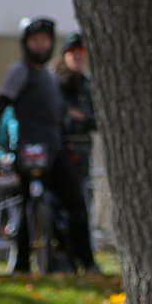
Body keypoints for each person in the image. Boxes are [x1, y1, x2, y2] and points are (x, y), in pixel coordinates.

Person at [0, 16, 96, 273]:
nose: (40, 45)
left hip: (55, 150)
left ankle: (84, 261)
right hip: (29, 150)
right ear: (26, 43)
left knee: (75, 202)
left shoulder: (48, 76)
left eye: (45, 40)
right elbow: (0, 104)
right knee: (26, 207)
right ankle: (23, 264)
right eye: (35, 40)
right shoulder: (20, 71)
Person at [56, 33, 97, 201]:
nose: (77, 55)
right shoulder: (54, 82)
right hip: (59, 149)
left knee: (83, 196)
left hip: (82, 149)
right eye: (72, 51)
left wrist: (83, 118)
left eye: (81, 50)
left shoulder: (89, 84)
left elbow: (97, 119)